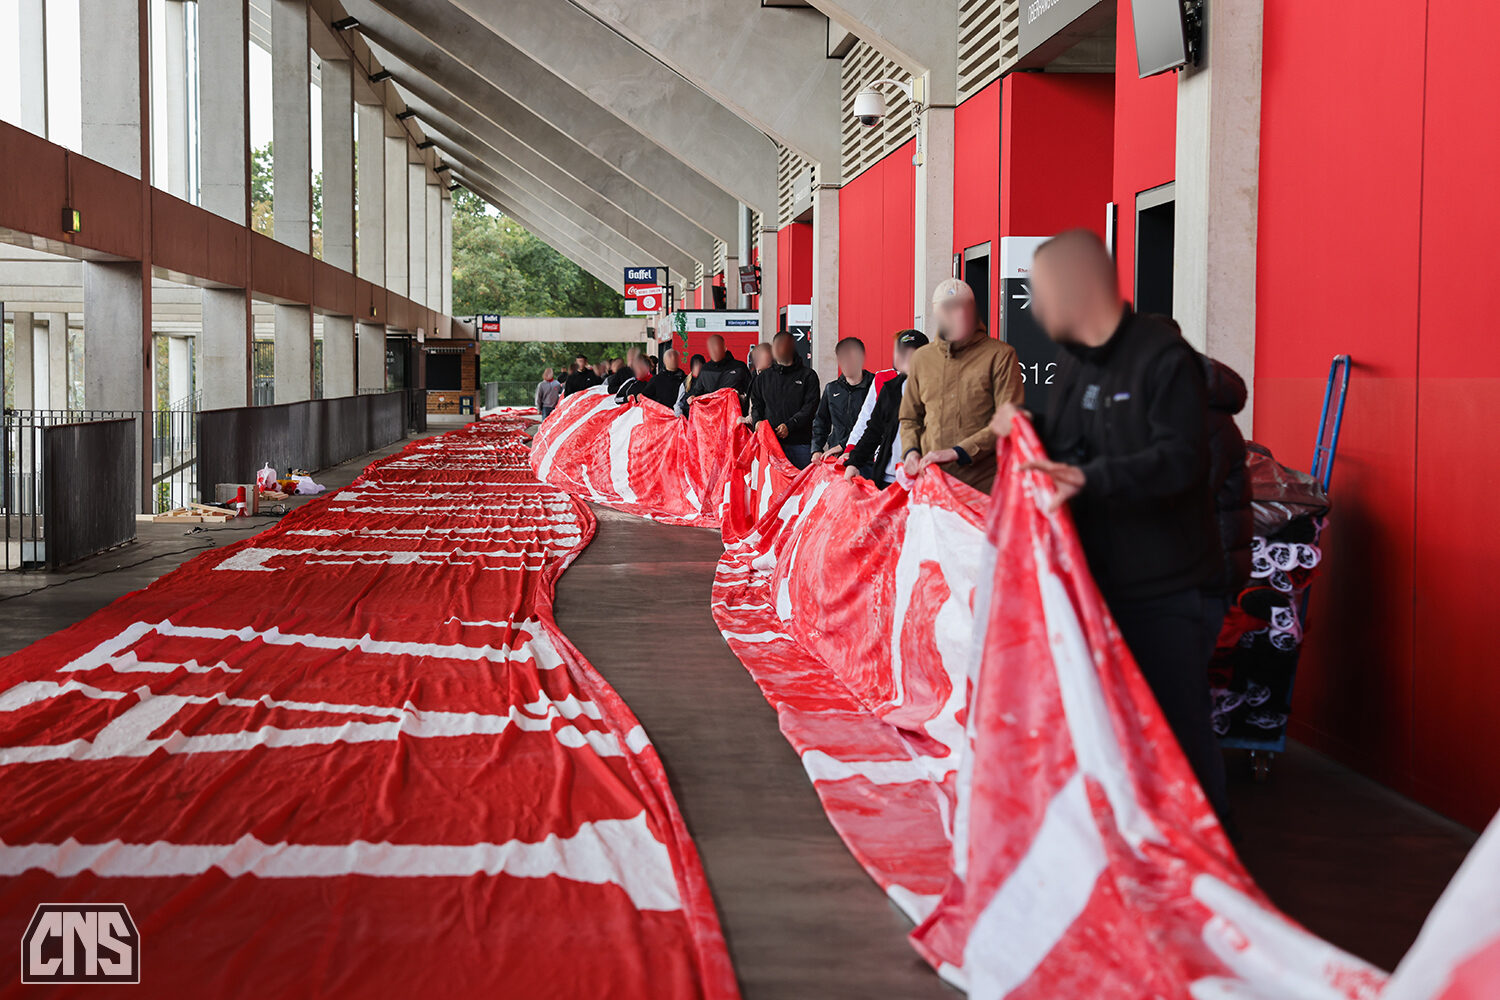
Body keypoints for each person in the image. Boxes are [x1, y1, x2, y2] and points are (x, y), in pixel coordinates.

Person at [989, 228, 1229, 824]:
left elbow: (1180, 461)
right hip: (1101, 585)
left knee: (1178, 739)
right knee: (1115, 736)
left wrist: (1092, 479)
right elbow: (1074, 442)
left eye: (1042, 295)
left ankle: (1211, 873)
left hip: (1167, 588)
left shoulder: (1161, 360)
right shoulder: (1072, 364)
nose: (1037, 311)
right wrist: (1026, 424)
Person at [898, 278, 1022, 491]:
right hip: (932, 486)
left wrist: (959, 451)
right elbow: (909, 417)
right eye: (945, 309)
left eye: (960, 307)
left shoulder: (1000, 355)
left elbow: (1008, 419)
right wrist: (911, 451)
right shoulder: (922, 358)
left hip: (982, 487)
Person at [844, 330, 928, 488]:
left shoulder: (937, 390)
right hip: (888, 477)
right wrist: (854, 462)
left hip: (921, 480)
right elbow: (873, 429)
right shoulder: (891, 389)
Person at [749, 331, 820, 468]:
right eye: (776, 346)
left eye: (783, 345)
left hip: (800, 445)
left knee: (801, 486)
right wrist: (757, 423)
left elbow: (810, 407)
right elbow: (757, 404)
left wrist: (790, 425)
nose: (779, 349)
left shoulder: (808, 376)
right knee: (771, 488)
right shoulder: (763, 378)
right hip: (770, 446)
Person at [811, 337, 874, 460]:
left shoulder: (875, 386)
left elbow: (873, 424)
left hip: (865, 456)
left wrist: (843, 445)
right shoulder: (832, 388)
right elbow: (820, 422)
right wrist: (816, 449)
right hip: (836, 456)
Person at [686, 335, 752, 408]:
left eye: (716, 346)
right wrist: (692, 397)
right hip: (711, 415)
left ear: (724, 347)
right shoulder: (705, 369)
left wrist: (742, 399)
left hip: (733, 414)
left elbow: (751, 392)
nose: (714, 350)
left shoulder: (739, 367)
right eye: (711, 348)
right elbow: (697, 391)